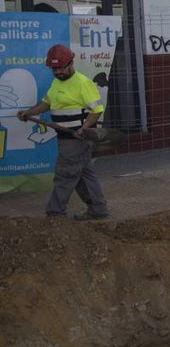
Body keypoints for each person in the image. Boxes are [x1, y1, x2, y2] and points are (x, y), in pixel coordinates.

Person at [17, 44, 110, 220]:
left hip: (77, 139)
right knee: (83, 174)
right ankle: (98, 209)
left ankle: (55, 213)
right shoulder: (56, 82)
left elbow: (97, 110)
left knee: (65, 174)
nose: (58, 71)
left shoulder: (83, 83)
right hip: (66, 137)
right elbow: (47, 103)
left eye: (60, 68)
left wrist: (84, 129)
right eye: (54, 69)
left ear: (71, 64)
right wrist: (30, 113)